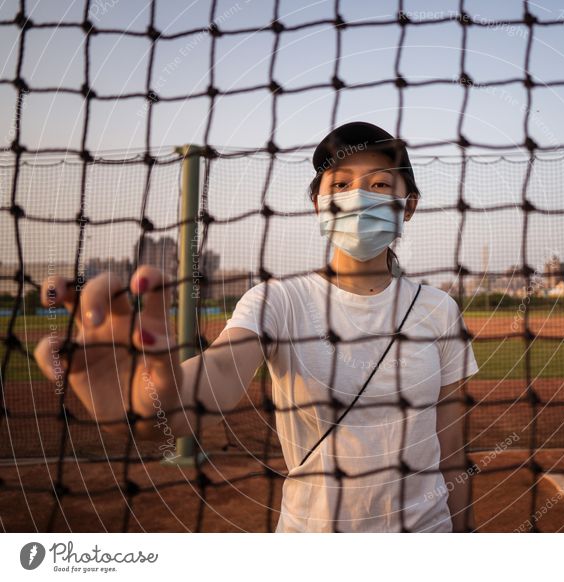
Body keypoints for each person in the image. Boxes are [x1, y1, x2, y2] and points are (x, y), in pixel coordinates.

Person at [34, 121, 480, 533]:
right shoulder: (279, 301)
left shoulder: (439, 310)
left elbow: (452, 451)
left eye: (380, 185)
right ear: (319, 205)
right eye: (340, 184)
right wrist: (157, 403)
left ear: (409, 206)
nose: (357, 197)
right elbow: (221, 372)